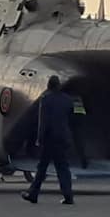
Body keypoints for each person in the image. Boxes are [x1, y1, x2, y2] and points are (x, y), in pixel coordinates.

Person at [21, 76, 76, 204]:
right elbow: (72, 119)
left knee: (42, 168)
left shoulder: (45, 100)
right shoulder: (68, 100)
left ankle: (33, 194)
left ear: (48, 86)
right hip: (62, 138)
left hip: (49, 138)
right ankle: (68, 196)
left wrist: (39, 139)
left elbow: (43, 122)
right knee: (63, 167)